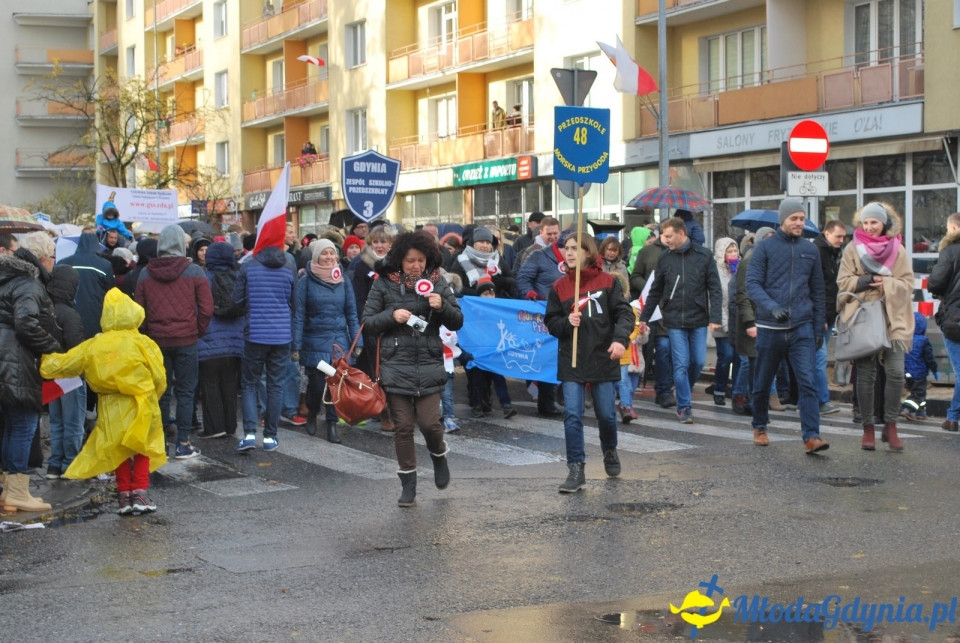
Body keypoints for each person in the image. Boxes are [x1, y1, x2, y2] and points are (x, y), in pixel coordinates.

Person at [40, 288, 168, 516]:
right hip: (141, 402)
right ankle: (139, 493)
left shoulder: (95, 344)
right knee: (141, 448)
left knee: (116, 449)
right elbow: (159, 376)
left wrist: (41, 357)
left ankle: (123, 497)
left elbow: (63, 364)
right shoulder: (143, 343)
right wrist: (153, 396)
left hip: (110, 405)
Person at [362, 230, 463, 507]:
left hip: (429, 364)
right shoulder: (384, 284)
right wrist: (390, 316)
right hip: (395, 366)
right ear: (399, 260)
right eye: (410, 261)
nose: (416, 266)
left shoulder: (437, 281)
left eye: (420, 260)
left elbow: (457, 321)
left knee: (431, 424)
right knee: (403, 427)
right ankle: (408, 485)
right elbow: (367, 322)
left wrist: (442, 306)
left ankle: (439, 456)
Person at [545, 234, 633, 493]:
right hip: (571, 358)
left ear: (589, 252)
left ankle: (609, 449)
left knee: (606, 414)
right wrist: (565, 323)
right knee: (572, 414)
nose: (569, 253)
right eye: (567, 249)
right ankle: (575, 468)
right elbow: (550, 322)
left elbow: (624, 314)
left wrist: (620, 340)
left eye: (576, 249)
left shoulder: (608, 282)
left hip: (602, 356)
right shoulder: (559, 287)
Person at [746, 199, 828, 453]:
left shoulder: (810, 250)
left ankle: (811, 436)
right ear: (782, 220)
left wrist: (816, 330)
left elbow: (818, 291)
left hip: (801, 327)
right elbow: (752, 284)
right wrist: (772, 307)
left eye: (802, 219)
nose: (799, 223)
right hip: (771, 328)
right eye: (794, 218)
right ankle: (760, 425)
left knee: (808, 382)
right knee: (762, 381)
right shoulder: (765, 248)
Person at [837, 202, 914, 451]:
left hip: (894, 319)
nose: (869, 227)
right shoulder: (852, 249)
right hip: (863, 318)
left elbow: (908, 284)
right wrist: (866, 280)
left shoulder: (898, 249)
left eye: (874, 222)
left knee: (895, 372)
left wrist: (887, 284)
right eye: (865, 222)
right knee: (867, 374)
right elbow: (843, 282)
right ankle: (868, 427)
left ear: (884, 224)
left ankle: (890, 425)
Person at [135, 224, 213, 460]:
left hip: (157, 341)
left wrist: (148, 333)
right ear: (182, 243)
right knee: (186, 391)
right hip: (187, 339)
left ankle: (160, 442)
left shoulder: (145, 273)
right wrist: (196, 329)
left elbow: (139, 311)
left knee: (161, 391)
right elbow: (207, 308)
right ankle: (183, 442)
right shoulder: (194, 272)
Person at [637, 217, 722, 424]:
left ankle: (682, 388)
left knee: (698, 362)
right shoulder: (665, 258)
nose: (665, 240)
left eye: (668, 236)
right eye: (663, 236)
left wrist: (715, 317)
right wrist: (644, 317)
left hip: (699, 318)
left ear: (681, 233)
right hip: (674, 320)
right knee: (681, 364)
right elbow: (655, 290)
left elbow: (715, 288)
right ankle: (684, 407)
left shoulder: (704, 256)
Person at [0, 233, 62, 512]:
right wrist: (53, 346)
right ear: (45, 258)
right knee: (23, 426)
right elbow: (26, 323)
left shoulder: (10, 277)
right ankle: (16, 492)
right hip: (17, 362)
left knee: (11, 426)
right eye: (53, 259)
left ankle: (9, 491)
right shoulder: (29, 282)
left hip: (6, 360)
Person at [233, 223, 298, 453]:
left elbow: (236, 301)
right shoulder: (289, 266)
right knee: (275, 385)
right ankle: (271, 437)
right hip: (281, 335)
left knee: (250, 383)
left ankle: (250, 433)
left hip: (255, 334)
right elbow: (294, 303)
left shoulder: (248, 267)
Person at [292, 239, 361, 442]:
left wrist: (358, 341)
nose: (329, 257)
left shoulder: (344, 281)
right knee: (316, 385)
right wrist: (296, 345)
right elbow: (299, 315)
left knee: (335, 384)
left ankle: (332, 423)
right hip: (314, 340)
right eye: (325, 253)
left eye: (332, 253)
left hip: (338, 341)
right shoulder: (305, 281)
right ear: (316, 257)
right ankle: (313, 411)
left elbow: (352, 313)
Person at [349, 224, 396, 431]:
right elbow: (359, 298)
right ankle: (383, 410)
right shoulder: (361, 265)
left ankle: (397, 409)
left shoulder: (398, 263)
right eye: (375, 241)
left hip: (395, 321)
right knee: (375, 369)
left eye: (383, 241)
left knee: (395, 367)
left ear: (390, 243)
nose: (379, 245)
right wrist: (366, 321)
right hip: (373, 323)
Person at [197, 242, 246, 439]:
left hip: (208, 339)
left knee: (209, 384)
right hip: (235, 341)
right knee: (229, 383)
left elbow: (199, 308)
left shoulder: (203, 279)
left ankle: (214, 427)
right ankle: (230, 425)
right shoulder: (239, 277)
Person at [45, 265, 87, 479]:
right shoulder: (70, 314)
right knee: (73, 422)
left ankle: (54, 464)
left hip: (50, 373)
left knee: (56, 421)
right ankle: (70, 464)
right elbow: (77, 349)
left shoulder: (45, 309)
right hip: (71, 376)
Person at [629, 226, 675, 408]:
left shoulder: (680, 253)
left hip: (675, 309)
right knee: (662, 349)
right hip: (653, 308)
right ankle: (663, 391)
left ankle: (669, 385)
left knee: (674, 351)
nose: (669, 239)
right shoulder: (647, 252)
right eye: (666, 235)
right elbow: (635, 277)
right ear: (660, 234)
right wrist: (650, 287)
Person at [928, 212, 960, 432]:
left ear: (954, 229)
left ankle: (952, 416)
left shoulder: (949, 252)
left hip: (955, 319)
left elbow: (936, 283)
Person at [813, 220, 846, 415]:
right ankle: (820, 400)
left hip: (827, 314)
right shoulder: (818, 252)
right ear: (826, 234)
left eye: (843, 237)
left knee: (817, 358)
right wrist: (821, 316)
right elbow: (818, 288)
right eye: (838, 237)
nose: (841, 241)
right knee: (819, 358)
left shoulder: (831, 253)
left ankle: (814, 399)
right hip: (820, 316)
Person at [710, 237, 739, 406]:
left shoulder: (738, 269)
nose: (733, 254)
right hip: (721, 322)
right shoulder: (716, 272)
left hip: (737, 322)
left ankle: (736, 390)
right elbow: (717, 299)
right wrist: (726, 324)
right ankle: (719, 389)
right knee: (726, 356)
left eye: (735, 251)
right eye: (730, 251)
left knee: (738, 357)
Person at [449, 226, 514, 297]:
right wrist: (479, 294)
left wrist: (504, 281)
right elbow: (455, 286)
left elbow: (512, 280)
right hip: (471, 303)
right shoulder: (462, 259)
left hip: (495, 303)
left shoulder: (497, 259)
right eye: (481, 242)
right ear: (474, 243)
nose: (485, 245)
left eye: (488, 242)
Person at [900, 311, 937, 421]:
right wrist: (934, 369)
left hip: (907, 372)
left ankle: (920, 411)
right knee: (918, 393)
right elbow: (929, 357)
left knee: (919, 392)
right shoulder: (923, 340)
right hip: (919, 373)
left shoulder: (904, 339)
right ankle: (906, 409)